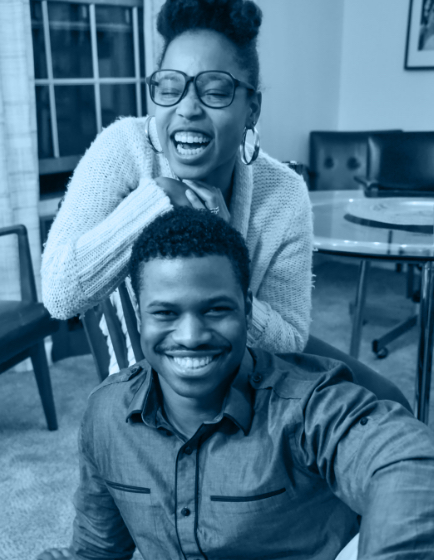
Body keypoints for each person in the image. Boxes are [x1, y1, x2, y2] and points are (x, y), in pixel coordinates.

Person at [40, 208, 434, 560]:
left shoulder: (308, 405)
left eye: (215, 309)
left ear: (247, 309)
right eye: (165, 313)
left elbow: (411, 463)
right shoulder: (106, 414)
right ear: (141, 317)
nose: (191, 335)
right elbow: (96, 551)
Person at [41, 0, 313, 373]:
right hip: (144, 390)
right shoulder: (123, 149)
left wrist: (225, 270)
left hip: (249, 382)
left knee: (380, 397)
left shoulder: (284, 193)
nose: (187, 109)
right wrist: (158, 201)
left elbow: (292, 340)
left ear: (252, 109)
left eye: (215, 92)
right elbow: (59, 295)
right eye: (170, 87)